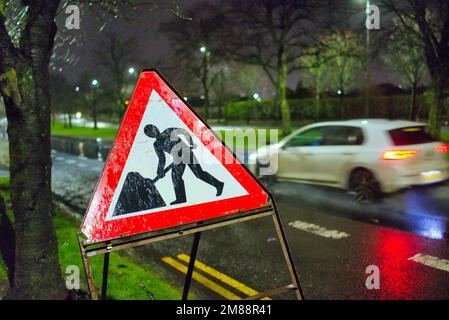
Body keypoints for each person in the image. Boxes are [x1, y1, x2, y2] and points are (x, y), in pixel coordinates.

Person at [144, 124, 224, 205]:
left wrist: (191, 143)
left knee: (199, 174)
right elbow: (161, 158)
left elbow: (184, 132)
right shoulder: (157, 145)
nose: (153, 132)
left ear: (156, 128)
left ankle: (218, 184)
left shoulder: (168, 131)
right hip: (177, 159)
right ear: (150, 136)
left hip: (186, 152)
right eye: (150, 133)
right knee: (175, 177)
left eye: (152, 129)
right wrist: (159, 171)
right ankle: (181, 199)